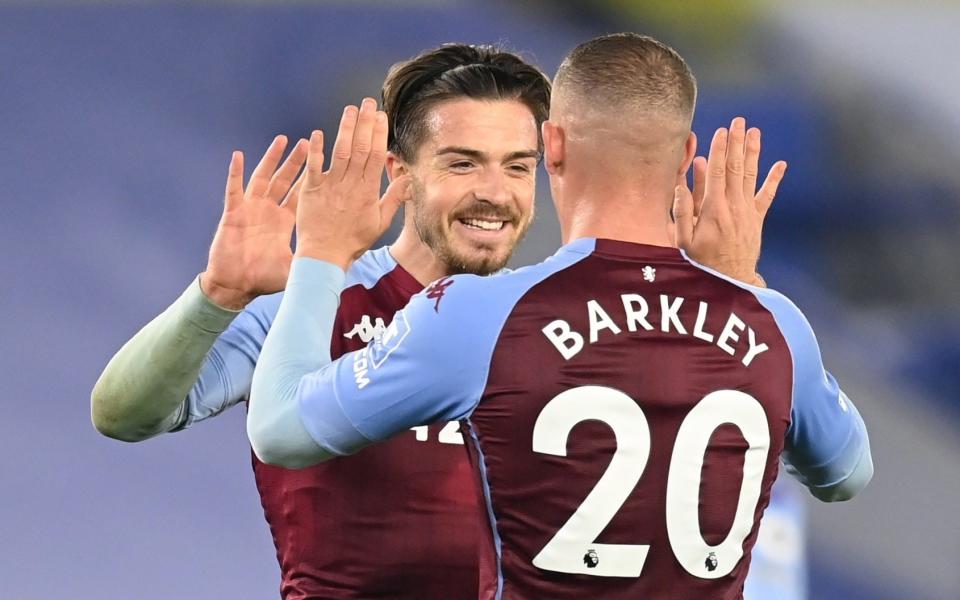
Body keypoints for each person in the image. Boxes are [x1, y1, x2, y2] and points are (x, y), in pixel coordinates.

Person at [248, 33, 873, 600]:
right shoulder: (776, 326)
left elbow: (280, 430)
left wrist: (322, 253)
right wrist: (739, 286)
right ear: (685, 154)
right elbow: (847, 474)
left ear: (552, 144)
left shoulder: (482, 316)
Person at [91, 44, 550, 599]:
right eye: (462, 162)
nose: (495, 193)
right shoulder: (316, 301)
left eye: (518, 167)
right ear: (400, 174)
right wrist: (218, 294)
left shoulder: (553, 322)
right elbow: (124, 415)